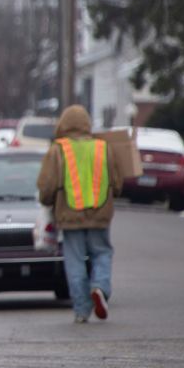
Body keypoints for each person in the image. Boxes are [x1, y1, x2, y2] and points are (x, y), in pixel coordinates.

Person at [36, 104, 123, 324]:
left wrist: (47, 203)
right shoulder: (103, 148)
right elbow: (117, 183)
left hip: (69, 215)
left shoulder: (58, 149)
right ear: (87, 124)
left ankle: (82, 310)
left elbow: (47, 185)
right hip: (100, 213)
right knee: (102, 252)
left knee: (74, 261)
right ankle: (100, 287)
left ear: (63, 124)